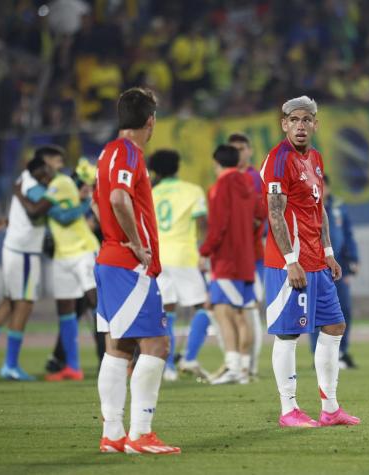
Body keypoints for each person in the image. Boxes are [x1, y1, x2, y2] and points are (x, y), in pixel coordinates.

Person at [260, 95, 360, 428]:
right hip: (291, 264)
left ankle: (330, 408)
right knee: (288, 335)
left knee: (334, 327)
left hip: (318, 262)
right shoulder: (278, 160)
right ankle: (288, 409)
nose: (300, 126)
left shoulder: (315, 158)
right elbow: (275, 213)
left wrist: (329, 252)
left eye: (307, 120)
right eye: (294, 120)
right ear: (284, 124)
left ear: (316, 124)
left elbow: (319, 211)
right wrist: (291, 260)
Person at [94, 87, 180, 455]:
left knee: (119, 346)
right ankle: (140, 433)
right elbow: (117, 198)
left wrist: (114, 237)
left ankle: (113, 434)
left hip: (110, 259)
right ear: (150, 121)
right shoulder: (129, 153)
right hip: (130, 266)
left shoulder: (107, 152)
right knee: (157, 344)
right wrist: (136, 244)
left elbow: (99, 200)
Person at [12, 146, 100, 382]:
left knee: (97, 302)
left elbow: (57, 215)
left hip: (82, 250)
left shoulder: (61, 182)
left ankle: (122, 356)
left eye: (41, 172)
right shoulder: (48, 187)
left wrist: (19, 193)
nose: (41, 176)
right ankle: (73, 366)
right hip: (62, 255)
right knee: (65, 309)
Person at [0, 152, 56, 380]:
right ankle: (11, 364)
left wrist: (6, 222)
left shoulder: (24, 181)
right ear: (39, 170)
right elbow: (38, 209)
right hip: (25, 253)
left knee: (10, 302)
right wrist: (57, 196)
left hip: (16, 249)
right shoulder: (32, 184)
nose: (50, 174)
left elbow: (26, 213)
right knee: (24, 304)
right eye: (47, 170)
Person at [199, 144, 262, 385]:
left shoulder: (219, 187)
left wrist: (205, 251)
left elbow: (219, 224)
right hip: (247, 260)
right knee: (244, 314)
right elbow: (260, 215)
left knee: (223, 312)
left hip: (226, 260)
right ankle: (244, 369)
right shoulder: (248, 183)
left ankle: (233, 367)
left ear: (217, 163)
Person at [148, 149, 211, 382]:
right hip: (185, 256)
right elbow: (202, 223)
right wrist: (205, 252)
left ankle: (169, 369)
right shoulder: (192, 190)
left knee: (168, 312)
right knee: (205, 307)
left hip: (160, 257)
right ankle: (189, 358)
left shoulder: (151, 192)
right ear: (177, 166)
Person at [309, 174, 360, 369]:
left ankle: (341, 351)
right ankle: (318, 354)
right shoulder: (308, 206)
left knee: (343, 311)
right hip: (317, 266)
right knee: (317, 312)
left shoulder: (338, 207)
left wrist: (353, 259)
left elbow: (348, 234)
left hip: (339, 267)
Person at [230, 132, 267, 379]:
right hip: (233, 255)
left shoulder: (254, 178)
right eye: (234, 149)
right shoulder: (228, 178)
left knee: (250, 308)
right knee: (235, 311)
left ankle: (249, 366)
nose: (239, 153)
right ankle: (239, 364)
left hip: (254, 255)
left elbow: (261, 215)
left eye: (242, 148)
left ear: (250, 151)